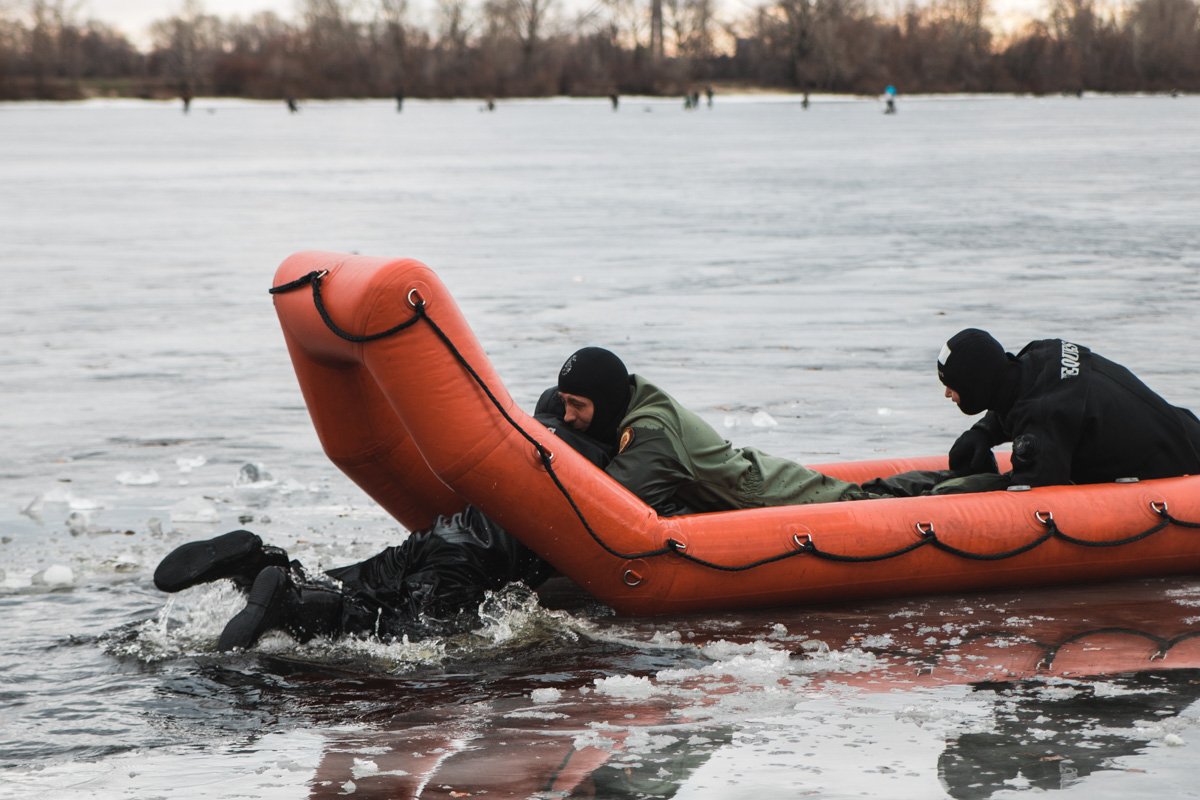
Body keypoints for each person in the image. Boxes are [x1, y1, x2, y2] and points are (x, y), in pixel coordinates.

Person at [154, 398, 613, 651]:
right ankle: (287, 603)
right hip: (472, 563)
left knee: (354, 586)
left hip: (439, 535)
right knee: (382, 632)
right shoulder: (593, 460)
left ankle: (257, 563)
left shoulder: (523, 438)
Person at [555, 347, 946, 516]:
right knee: (874, 493)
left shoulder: (651, 435)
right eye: (565, 403)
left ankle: (973, 482)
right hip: (757, 476)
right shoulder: (631, 399)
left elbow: (603, 505)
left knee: (872, 501)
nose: (568, 417)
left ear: (604, 401)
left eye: (578, 405)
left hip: (776, 498)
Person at [938, 328, 1200, 488]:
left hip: (1182, 465)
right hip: (1187, 429)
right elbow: (1020, 393)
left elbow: (1035, 489)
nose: (947, 393)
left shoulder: (1044, 419)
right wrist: (984, 432)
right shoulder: (1043, 353)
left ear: (977, 383)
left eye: (952, 384)